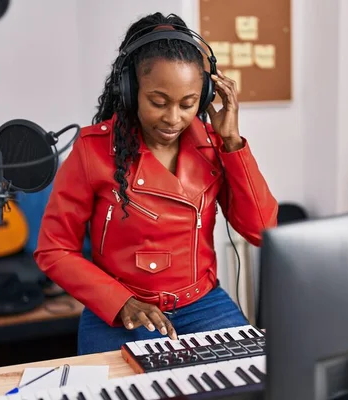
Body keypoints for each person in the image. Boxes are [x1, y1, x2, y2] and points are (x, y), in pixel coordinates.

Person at [34, 12, 278, 355]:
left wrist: (232, 143)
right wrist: (121, 303)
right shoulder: (93, 151)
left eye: (188, 104)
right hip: (124, 311)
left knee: (258, 382)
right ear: (131, 91)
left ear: (205, 97)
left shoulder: (214, 145)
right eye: (158, 102)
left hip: (203, 305)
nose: (173, 118)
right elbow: (54, 249)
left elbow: (263, 230)